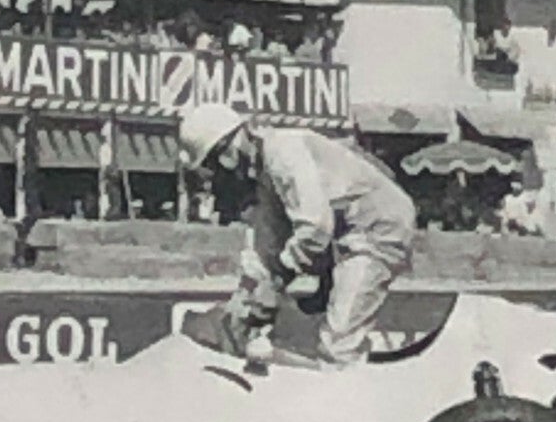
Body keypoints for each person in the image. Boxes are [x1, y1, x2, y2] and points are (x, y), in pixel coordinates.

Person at [177, 103, 417, 368]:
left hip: (378, 228)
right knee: (305, 331)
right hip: (345, 234)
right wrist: (244, 300)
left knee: (339, 342)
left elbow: (315, 228)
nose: (222, 170)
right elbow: (266, 244)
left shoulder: (282, 151)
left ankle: (346, 393)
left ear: (233, 140)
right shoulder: (264, 174)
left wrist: (276, 281)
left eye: (217, 159)